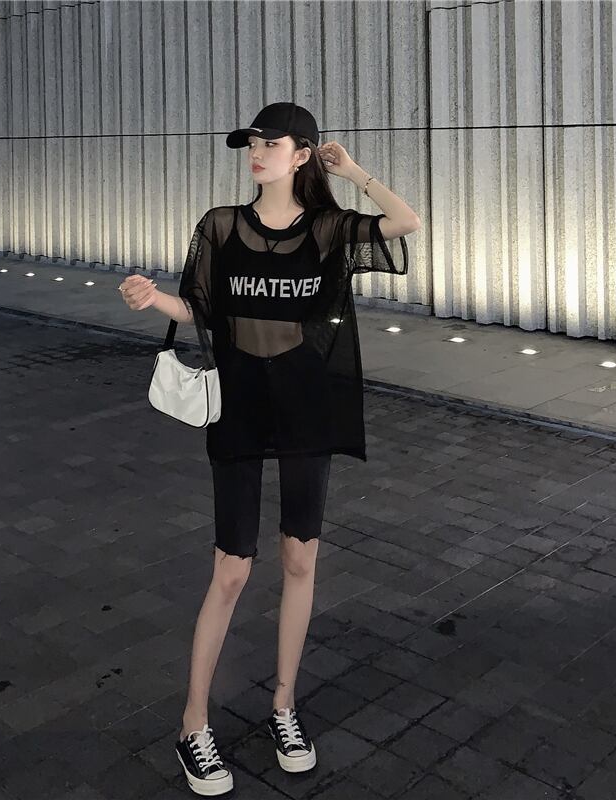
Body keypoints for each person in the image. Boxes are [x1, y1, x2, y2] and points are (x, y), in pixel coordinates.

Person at [119, 101, 420, 797]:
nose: (256, 153)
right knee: (231, 569)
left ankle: (284, 706)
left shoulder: (328, 228)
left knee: (299, 558)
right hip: (241, 407)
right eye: (250, 143)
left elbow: (405, 224)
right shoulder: (220, 226)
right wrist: (152, 299)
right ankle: (193, 723)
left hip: (307, 407)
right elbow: (200, 309)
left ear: (302, 154)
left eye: (271, 143)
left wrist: (355, 173)